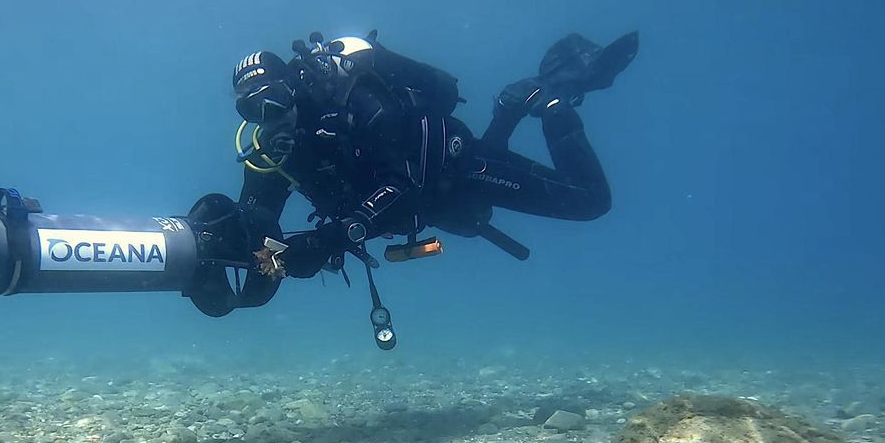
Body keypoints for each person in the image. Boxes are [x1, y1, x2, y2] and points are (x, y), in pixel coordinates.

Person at [229, 29, 638, 280]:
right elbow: (256, 217)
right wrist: (240, 245)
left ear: (294, 89)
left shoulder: (362, 103)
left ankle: (549, 101)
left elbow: (404, 185)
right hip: (434, 203)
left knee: (589, 201)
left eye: (275, 101)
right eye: (252, 110)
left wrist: (327, 240)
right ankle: (509, 108)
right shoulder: (274, 151)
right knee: (467, 212)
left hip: (456, 169)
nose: (269, 118)